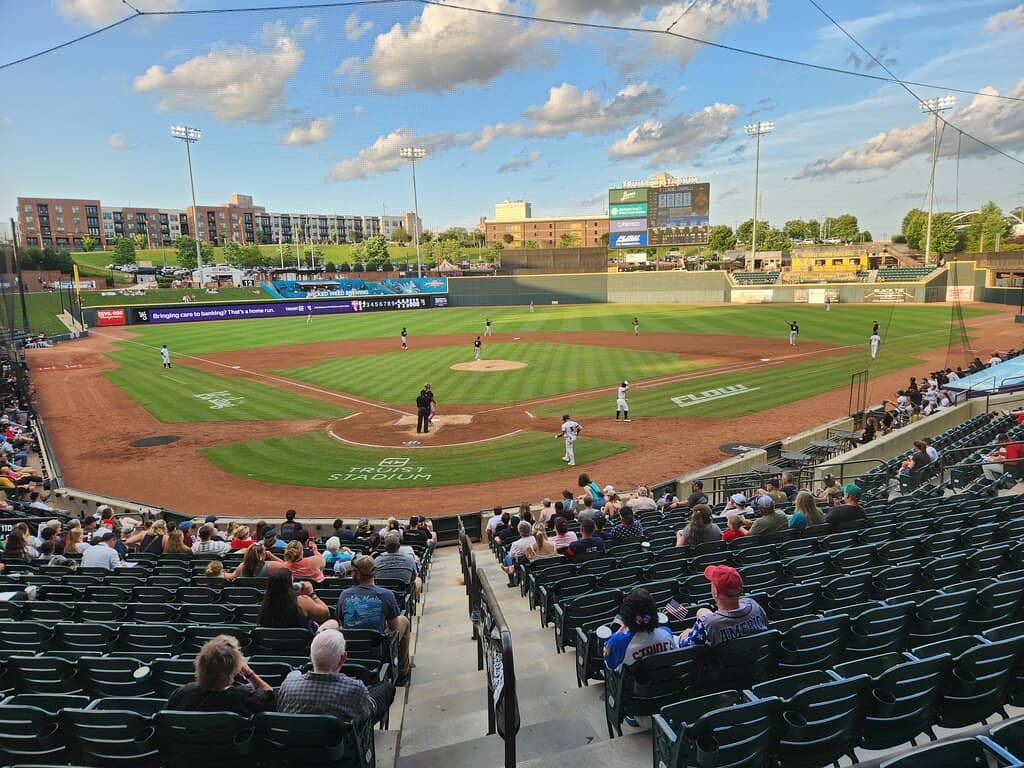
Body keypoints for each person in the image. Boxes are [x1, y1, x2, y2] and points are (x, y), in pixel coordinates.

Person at [277, 624, 396, 725]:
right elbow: (367, 714)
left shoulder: (288, 684)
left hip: (296, 747)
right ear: (343, 658)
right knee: (385, 688)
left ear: (310, 657)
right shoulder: (354, 689)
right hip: (340, 750)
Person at [604, 588, 677, 726]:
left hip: (637, 708)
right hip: (666, 702)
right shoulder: (667, 634)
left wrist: (618, 634)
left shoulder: (618, 642)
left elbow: (610, 664)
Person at [337, 556, 411, 686]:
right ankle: (403, 673)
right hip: (378, 649)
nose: (351, 574)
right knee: (403, 620)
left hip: (350, 648)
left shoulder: (344, 594)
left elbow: (342, 623)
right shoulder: (387, 594)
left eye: (353, 571)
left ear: (358, 574)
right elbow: (394, 627)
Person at [167, 635, 274, 715]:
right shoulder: (243, 698)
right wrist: (248, 672)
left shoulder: (181, 693)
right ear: (235, 669)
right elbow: (269, 693)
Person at [678, 566, 769, 648]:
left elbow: (684, 647)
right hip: (755, 661)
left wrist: (688, 633)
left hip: (722, 665)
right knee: (702, 611)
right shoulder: (754, 605)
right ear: (741, 588)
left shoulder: (709, 624)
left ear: (716, 591)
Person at [258, 569, 330, 629]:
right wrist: (311, 594)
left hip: (271, 645)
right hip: (302, 645)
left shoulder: (265, 606)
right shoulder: (302, 601)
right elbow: (325, 614)